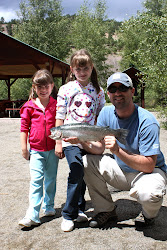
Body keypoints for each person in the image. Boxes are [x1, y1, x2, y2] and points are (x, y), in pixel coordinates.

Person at [81, 72, 167, 228]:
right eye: (113, 89)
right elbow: (99, 148)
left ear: (132, 91)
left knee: (150, 194)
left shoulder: (147, 122)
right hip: (122, 170)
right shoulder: (106, 114)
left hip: (149, 172)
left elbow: (148, 165)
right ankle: (106, 210)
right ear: (108, 94)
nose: (117, 93)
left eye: (123, 88)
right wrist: (82, 142)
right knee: (87, 161)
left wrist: (117, 151)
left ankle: (148, 215)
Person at [55, 49, 106, 232]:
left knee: (84, 172)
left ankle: (79, 208)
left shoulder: (98, 91)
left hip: (90, 139)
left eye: (86, 68)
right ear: (72, 69)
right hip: (70, 140)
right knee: (76, 170)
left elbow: (100, 116)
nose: (82, 72)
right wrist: (59, 142)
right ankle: (68, 214)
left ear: (91, 68)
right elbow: (60, 116)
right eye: (78, 69)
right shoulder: (65, 89)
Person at [18, 69, 59, 227]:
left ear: (52, 86)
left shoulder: (56, 105)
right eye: (39, 86)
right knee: (36, 181)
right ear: (34, 87)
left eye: (46, 86)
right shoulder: (28, 107)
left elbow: (60, 125)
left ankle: (48, 206)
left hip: (53, 151)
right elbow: (24, 128)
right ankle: (33, 215)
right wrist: (24, 147)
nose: (43, 90)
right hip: (36, 151)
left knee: (50, 180)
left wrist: (60, 145)